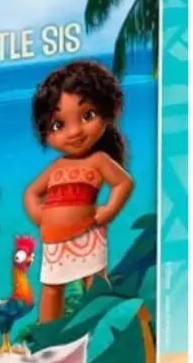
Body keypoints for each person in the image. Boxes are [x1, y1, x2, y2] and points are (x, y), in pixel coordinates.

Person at [24, 60, 133, 322]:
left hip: (87, 235)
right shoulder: (56, 167)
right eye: (58, 125)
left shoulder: (98, 161)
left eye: (88, 116)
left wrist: (108, 211)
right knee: (51, 287)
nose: (74, 132)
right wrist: (39, 216)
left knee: (95, 282)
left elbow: (123, 183)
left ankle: (105, 323)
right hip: (54, 242)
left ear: (107, 113)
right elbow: (31, 193)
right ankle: (47, 333)